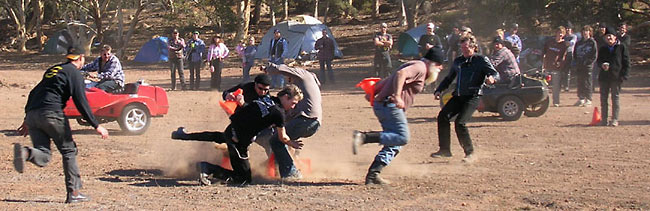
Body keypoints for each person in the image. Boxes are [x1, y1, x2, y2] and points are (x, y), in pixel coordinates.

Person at [14, 47, 109, 203]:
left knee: (43, 155)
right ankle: (74, 193)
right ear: (80, 58)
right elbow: (81, 101)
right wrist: (96, 125)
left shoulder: (53, 69)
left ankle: (25, 153)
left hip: (33, 114)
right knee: (69, 150)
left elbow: (34, 92)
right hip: (52, 113)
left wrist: (27, 118)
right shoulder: (74, 73)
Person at [171, 85, 304, 186]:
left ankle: (182, 135)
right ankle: (207, 168)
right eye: (293, 103)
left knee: (217, 136)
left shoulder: (266, 98)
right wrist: (292, 143)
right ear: (286, 97)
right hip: (238, 141)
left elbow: (248, 110)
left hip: (233, 129)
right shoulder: (279, 113)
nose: (293, 107)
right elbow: (283, 137)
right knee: (244, 179)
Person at [352, 47, 444, 185]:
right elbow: (401, 74)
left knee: (395, 142)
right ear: (432, 62)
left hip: (385, 105)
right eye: (439, 65)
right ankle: (364, 137)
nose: (441, 68)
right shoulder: (420, 67)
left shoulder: (416, 65)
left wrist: (374, 90)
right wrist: (396, 96)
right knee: (402, 137)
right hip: (390, 105)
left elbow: (391, 78)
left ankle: (373, 174)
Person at [430, 35, 498, 163]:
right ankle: (445, 150)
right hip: (459, 95)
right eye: (462, 48)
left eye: (466, 48)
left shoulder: (481, 60)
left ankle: (470, 153)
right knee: (443, 116)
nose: (464, 51)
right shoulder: (458, 61)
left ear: (473, 47)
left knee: (460, 123)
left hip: (473, 96)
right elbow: (449, 78)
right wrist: (439, 89)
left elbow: (495, 73)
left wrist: (492, 78)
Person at [263, 63, 323, 180]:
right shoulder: (307, 84)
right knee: (283, 140)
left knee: (276, 141)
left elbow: (281, 69)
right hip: (312, 122)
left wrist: (268, 68)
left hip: (306, 120)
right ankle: (276, 167)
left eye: (289, 78)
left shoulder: (303, 74)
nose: (288, 81)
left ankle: (291, 173)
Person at [222, 74, 274, 156]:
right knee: (234, 143)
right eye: (260, 88)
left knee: (270, 143)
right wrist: (227, 95)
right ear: (255, 84)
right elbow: (226, 92)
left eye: (266, 90)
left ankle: (273, 166)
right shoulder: (245, 86)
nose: (263, 92)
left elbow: (259, 113)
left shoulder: (267, 98)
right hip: (240, 122)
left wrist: (243, 104)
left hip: (258, 126)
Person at [596, 27, 630, 127]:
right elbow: (598, 61)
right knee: (603, 99)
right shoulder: (603, 48)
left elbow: (626, 63)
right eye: (607, 36)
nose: (609, 38)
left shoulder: (622, 47)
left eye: (611, 36)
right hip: (604, 77)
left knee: (615, 99)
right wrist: (602, 65)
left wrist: (624, 76)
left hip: (616, 77)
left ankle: (614, 119)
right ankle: (604, 119)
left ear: (615, 37)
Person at [573, 25, 598, 107]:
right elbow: (575, 53)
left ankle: (589, 99)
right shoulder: (579, 42)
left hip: (588, 66)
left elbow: (594, 55)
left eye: (587, 31)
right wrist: (577, 61)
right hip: (579, 65)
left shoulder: (592, 42)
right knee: (580, 82)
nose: (585, 33)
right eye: (583, 31)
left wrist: (588, 62)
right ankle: (581, 98)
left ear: (590, 32)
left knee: (588, 82)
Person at [542, 26, 567, 107]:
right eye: (559, 32)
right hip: (547, 66)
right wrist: (543, 63)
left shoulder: (563, 44)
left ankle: (556, 102)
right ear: (556, 33)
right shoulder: (550, 42)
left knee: (556, 86)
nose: (560, 34)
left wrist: (560, 63)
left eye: (562, 33)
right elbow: (544, 52)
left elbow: (563, 56)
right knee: (545, 85)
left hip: (556, 68)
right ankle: (543, 101)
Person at [561, 23, 577, 92]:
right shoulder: (563, 36)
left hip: (569, 54)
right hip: (561, 54)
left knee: (567, 70)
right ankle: (560, 85)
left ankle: (566, 86)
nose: (567, 30)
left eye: (569, 28)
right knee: (561, 70)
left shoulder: (573, 36)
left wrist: (563, 42)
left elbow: (571, 43)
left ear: (571, 29)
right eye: (566, 28)